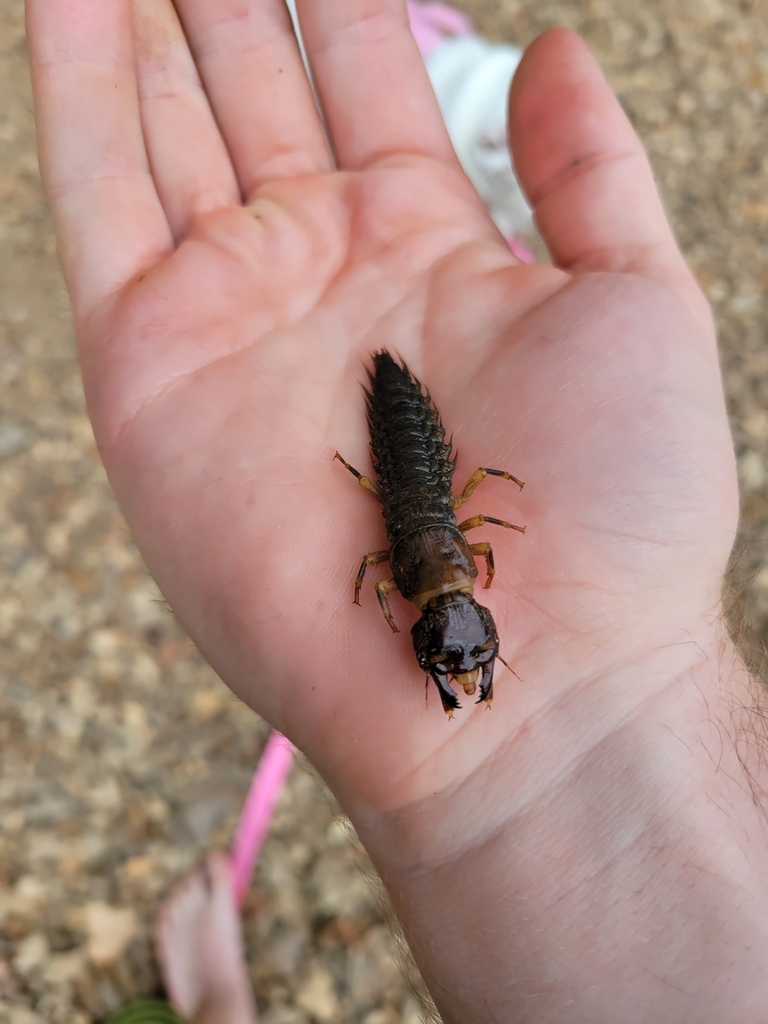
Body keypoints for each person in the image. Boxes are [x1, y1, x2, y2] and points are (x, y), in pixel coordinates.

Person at [26, 0, 768, 1020]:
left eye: (450, 650)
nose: (463, 652)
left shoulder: (442, 564)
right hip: (411, 454)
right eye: (465, 645)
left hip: (408, 459)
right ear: (462, 586)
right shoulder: (441, 559)